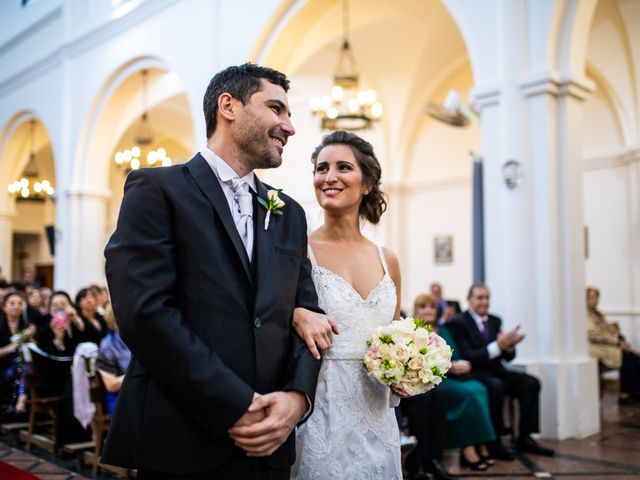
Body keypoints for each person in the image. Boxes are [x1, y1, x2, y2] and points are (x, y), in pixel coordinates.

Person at [103, 63, 325, 480]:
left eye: (288, 114)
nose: (289, 126)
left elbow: (307, 315)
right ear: (229, 106)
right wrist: (234, 403)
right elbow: (144, 313)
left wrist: (297, 399)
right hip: (183, 438)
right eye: (276, 109)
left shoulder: (289, 213)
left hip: (270, 444)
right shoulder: (158, 190)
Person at [291, 131, 403, 479]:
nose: (329, 177)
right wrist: (294, 314)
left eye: (343, 167)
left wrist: (408, 372)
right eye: (321, 168)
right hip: (321, 410)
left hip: (377, 414)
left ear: (367, 184)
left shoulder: (388, 260)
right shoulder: (298, 252)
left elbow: (396, 338)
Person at [448, 283, 555, 458]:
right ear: (469, 300)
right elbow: (468, 355)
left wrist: (510, 346)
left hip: (497, 370)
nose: (484, 302)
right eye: (479, 298)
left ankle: (525, 436)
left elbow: (507, 358)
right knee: (496, 387)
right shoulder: (458, 323)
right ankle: (494, 441)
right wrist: (498, 346)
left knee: (531, 383)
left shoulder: (495, 320)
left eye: (487, 297)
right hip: (475, 373)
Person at [413, 294, 496, 473]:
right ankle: (467, 446)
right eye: (423, 306)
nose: (428, 310)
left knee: (479, 388)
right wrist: (450, 367)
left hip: (453, 376)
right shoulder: (413, 331)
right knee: (467, 393)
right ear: (416, 310)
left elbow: (455, 354)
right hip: (432, 379)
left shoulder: (444, 329)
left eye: (432, 307)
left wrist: (460, 365)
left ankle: (478, 442)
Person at [586, 287, 640, 404]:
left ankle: (634, 392)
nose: (595, 300)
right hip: (595, 348)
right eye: (592, 297)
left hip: (606, 345)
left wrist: (620, 339)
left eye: (596, 297)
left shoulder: (597, 313)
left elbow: (608, 330)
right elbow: (594, 335)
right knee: (627, 358)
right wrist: (617, 342)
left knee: (634, 357)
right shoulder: (584, 315)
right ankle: (625, 395)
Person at [0, 292, 36, 415]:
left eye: (20, 303)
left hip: (24, 368)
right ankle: (21, 398)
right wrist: (17, 342)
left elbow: (35, 349)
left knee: (22, 365)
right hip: (4, 369)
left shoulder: (27, 326)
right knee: (19, 364)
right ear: (4, 307)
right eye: (12, 303)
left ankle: (21, 399)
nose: (16, 306)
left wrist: (31, 339)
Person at [96, 304, 131, 415]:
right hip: (120, 398)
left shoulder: (139, 339)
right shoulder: (108, 345)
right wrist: (137, 374)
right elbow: (111, 385)